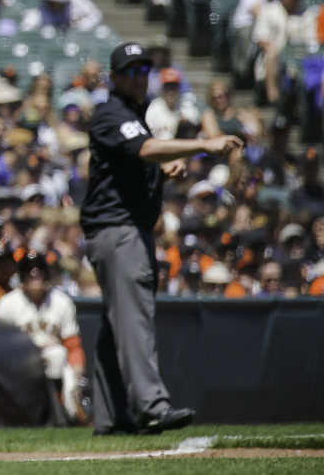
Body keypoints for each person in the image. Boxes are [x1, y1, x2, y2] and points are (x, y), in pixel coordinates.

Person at [80, 43, 244, 435]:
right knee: (134, 318)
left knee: (115, 324)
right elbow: (146, 148)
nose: (139, 77)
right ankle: (151, 407)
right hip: (118, 231)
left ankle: (110, 416)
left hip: (121, 229)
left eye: (143, 70)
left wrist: (159, 172)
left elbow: (135, 162)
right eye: (131, 71)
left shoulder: (132, 114)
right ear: (115, 78)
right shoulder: (112, 112)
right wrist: (204, 143)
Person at [0, 249, 88, 424]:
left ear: (46, 272)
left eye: (38, 268)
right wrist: (33, 347)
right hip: (20, 362)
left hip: (56, 365)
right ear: (21, 274)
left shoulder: (62, 302)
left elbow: (73, 344)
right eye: (29, 268)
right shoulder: (8, 303)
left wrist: (77, 378)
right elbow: (0, 348)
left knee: (59, 358)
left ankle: (60, 413)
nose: (34, 272)